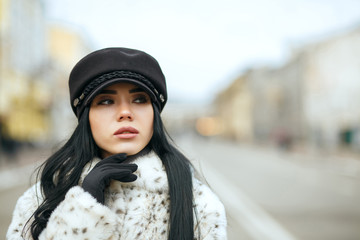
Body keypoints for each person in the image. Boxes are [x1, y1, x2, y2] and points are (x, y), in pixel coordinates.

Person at [7, 47, 227, 240]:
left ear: (154, 115)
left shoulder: (198, 203)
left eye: (140, 99)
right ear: (86, 117)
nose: (125, 112)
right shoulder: (41, 198)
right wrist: (84, 209)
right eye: (106, 101)